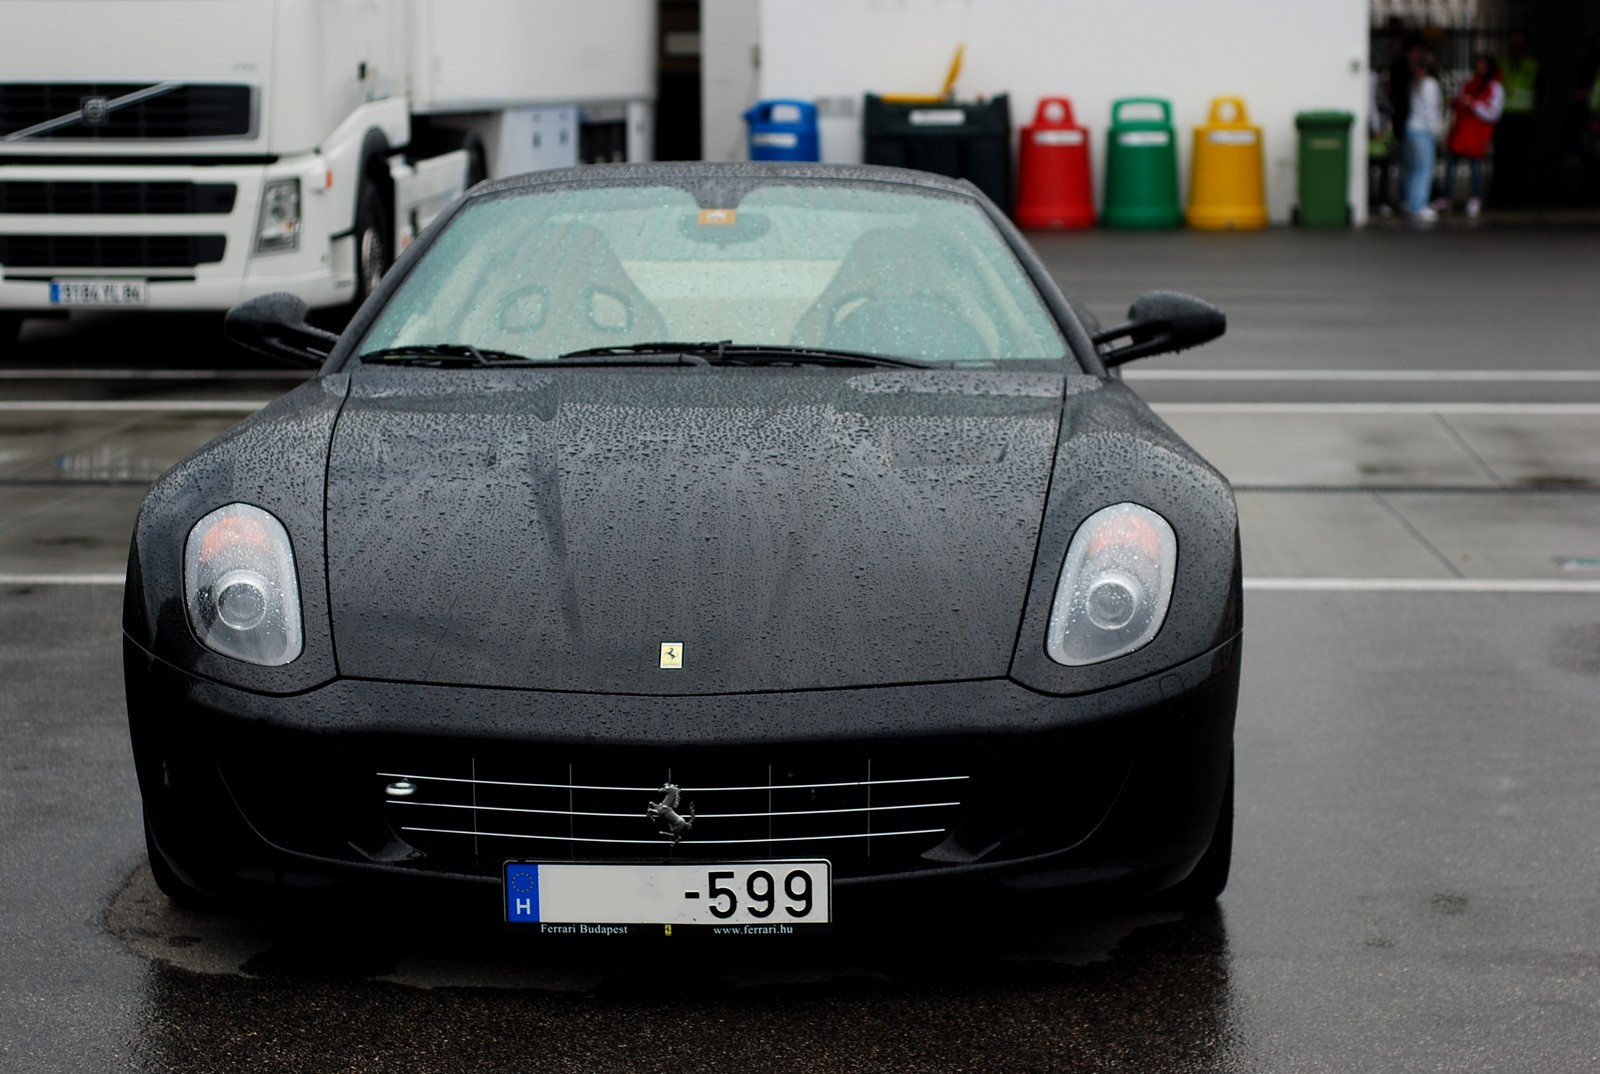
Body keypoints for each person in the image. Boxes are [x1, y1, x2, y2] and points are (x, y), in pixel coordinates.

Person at [1435, 54, 1504, 217]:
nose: (1480, 68)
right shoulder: (1468, 83)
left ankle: (1475, 197)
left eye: (1483, 65)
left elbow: (1494, 113)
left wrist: (1474, 104)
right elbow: (1456, 100)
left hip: (1476, 133)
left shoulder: (1494, 87)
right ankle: (1446, 197)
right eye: (1478, 64)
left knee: (1475, 168)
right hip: (1461, 131)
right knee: (1450, 166)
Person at [1492, 34, 1539, 206]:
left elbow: (1542, 88)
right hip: (1505, 117)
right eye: (1513, 46)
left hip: (1523, 117)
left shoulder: (1532, 65)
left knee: (1521, 158)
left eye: (1519, 47)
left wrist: (1537, 111)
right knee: (1502, 157)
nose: (1516, 50)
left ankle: (1518, 195)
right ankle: (1499, 195)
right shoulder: (1502, 64)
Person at [1404, 48, 1444, 222]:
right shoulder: (1430, 84)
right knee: (1424, 170)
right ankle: (1419, 206)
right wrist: (1436, 132)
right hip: (1423, 132)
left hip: (1411, 130)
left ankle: (1411, 202)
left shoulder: (1415, 83)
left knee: (1414, 170)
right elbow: (1431, 112)